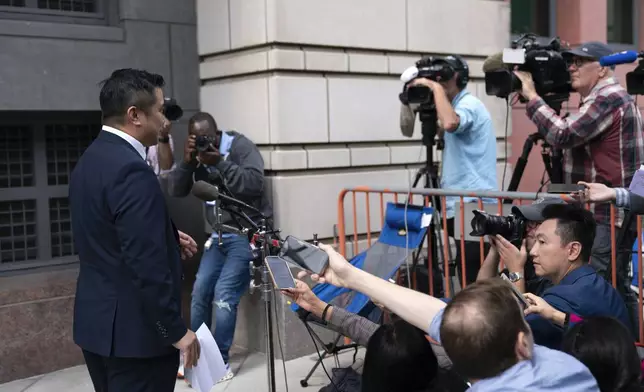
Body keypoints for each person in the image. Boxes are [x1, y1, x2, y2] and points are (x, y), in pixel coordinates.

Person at [300, 245, 599, 391]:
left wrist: (351, 277)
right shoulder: (568, 370)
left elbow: (440, 317)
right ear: (522, 342)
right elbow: (438, 316)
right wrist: (351, 276)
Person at [69, 68, 200, 392]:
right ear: (135, 115)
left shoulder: (90, 159)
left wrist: (167, 239)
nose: (164, 120)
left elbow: (108, 232)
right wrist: (175, 331)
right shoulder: (131, 170)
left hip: (98, 329)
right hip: (136, 340)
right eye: (159, 110)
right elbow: (145, 263)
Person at [514, 41, 644, 324]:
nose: (571, 67)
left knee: (605, 287)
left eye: (579, 62)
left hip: (608, 213)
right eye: (569, 61)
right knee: (615, 286)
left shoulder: (609, 98)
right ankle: (625, 350)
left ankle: (620, 350)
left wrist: (532, 96)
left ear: (601, 69)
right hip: (602, 213)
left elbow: (562, 135)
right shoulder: (597, 100)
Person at [168, 112, 271, 381]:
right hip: (218, 236)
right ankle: (198, 357)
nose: (204, 143)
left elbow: (254, 184)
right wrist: (187, 163)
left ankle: (220, 362)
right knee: (200, 291)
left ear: (216, 133)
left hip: (243, 234)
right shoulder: (196, 156)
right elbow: (177, 190)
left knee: (224, 295)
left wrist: (222, 163)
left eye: (207, 138)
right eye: (197, 139)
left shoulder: (239, 147)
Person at [401, 55, 498, 290]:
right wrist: (406, 96)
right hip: (460, 201)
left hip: (475, 201)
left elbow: (450, 123)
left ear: (457, 77)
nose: (438, 80)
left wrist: (434, 88)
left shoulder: (469, 104)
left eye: (442, 76)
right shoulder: (451, 105)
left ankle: (482, 320)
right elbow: (407, 129)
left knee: (475, 274)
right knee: (467, 270)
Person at [524, 203, 631, 348]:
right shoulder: (598, 285)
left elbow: (520, 339)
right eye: (535, 241)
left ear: (573, 250)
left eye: (542, 242)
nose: (533, 251)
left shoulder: (564, 297)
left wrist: (515, 272)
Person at [476, 198, 566, 294]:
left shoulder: (558, 273)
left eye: (534, 223)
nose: (527, 229)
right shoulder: (528, 263)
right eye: (526, 222)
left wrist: (516, 271)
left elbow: (523, 309)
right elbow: (481, 294)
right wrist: (495, 249)